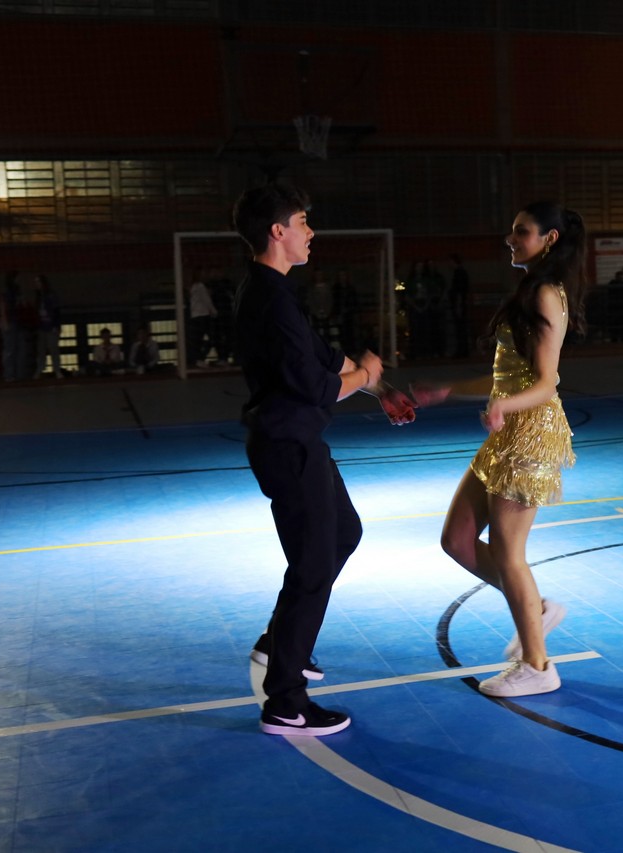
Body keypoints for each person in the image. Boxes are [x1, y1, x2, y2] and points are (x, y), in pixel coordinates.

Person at [232, 182, 414, 738]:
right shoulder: (268, 299)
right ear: (277, 231)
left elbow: (326, 358)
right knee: (312, 567)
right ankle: (285, 701)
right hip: (287, 445)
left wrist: (379, 388)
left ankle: (279, 643)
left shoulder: (277, 292)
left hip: (300, 441)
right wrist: (365, 374)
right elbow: (318, 385)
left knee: (344, 533)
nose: (311, 232)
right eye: (303, 222)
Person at [411, 200, 588, 698]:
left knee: (510, 555)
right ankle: (536, 607)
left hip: (531, 434)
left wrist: (504, 406)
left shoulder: (547, 295)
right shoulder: (529, 290)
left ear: (550, 239)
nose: (511, 239)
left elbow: (547, 382)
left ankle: (538, 666)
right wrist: (447, 391)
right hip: (507, 433)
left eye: (521, 231)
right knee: (457, 540)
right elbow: (506, 376)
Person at [32, 274, 63, 379]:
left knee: (53, 349)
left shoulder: (51, 295)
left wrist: (56, 325)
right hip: (41, 327)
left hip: (51, 326)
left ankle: (57, 369)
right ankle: (40, 369)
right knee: (41, 350)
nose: (36, 284)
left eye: (38, 282)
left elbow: (56, 311)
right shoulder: (38, 297)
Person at [188, 269, 218, 367]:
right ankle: (201, 358)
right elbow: (207, 300)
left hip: (195, 316)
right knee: (212, 337)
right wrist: (214, 311)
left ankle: (198, 359)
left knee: (198, 339)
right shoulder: (200, 286)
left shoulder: (193, 287)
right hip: (203, 315)